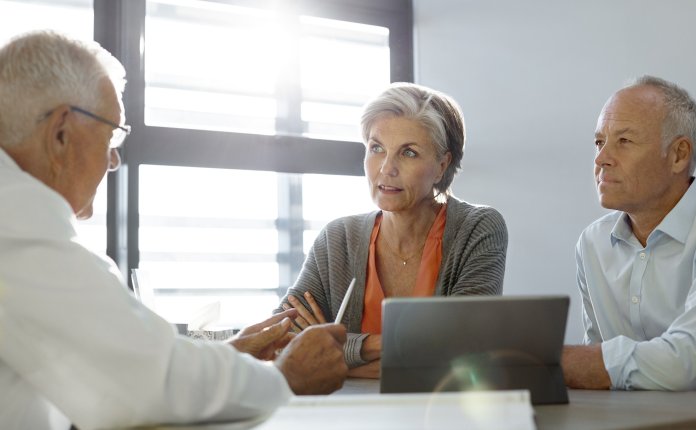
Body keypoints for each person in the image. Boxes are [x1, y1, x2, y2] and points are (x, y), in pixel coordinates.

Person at [0, 31, 348, 430]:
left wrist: (233, 357)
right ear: (61, 133)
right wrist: (288, 377)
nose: (113, 161)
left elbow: (112, 365)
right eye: (112, 135)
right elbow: (144, 387)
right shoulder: (17, 225)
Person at [276, 83, 508, 378]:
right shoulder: (337, 239)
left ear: (441, 165)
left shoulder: (478, 228)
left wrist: (343, 353)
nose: (386, 168)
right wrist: (390, 351)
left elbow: (465, 353)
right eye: (376, 148)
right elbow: (281, 341)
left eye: (408, 153)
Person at [562, 75, 696, 391]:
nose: (601, 159)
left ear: (678, 155)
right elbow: (594, 370)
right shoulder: (592, 243)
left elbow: (684, 362)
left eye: (624, 141)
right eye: (599, 141)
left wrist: (552, 362)